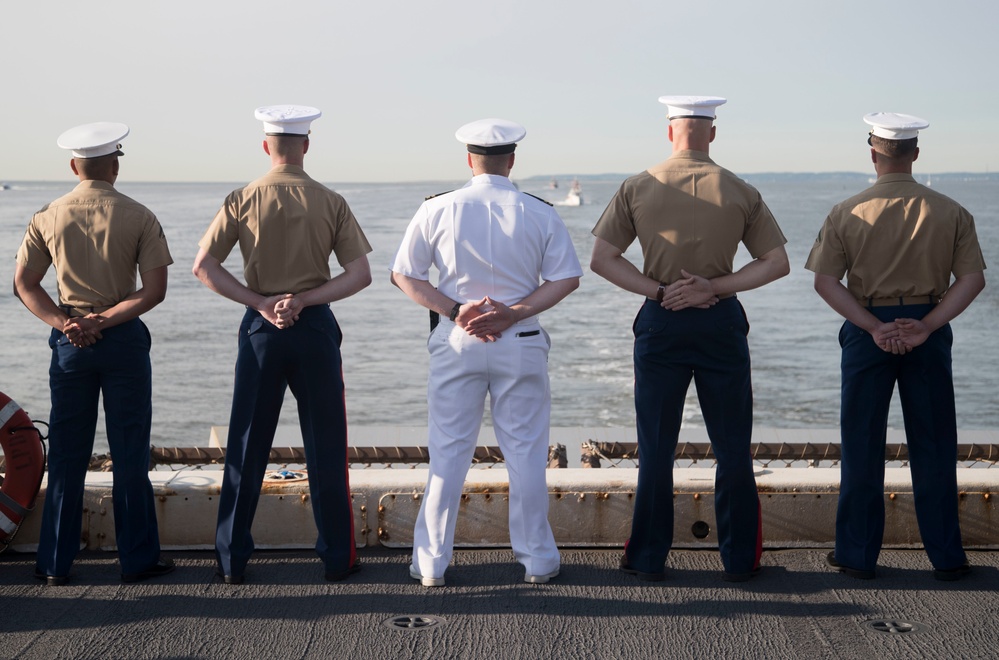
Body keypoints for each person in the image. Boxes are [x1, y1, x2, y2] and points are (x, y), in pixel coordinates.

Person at [590, 96, 789, 582]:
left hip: (661, 321)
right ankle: (741, 560)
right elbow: (776, 262)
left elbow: (602, 259)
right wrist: (714, 287)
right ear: (712, 134)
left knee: (656, 448)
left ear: (669, 132)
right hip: (720, 321)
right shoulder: (740, 189)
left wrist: (661, 291)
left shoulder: (639, 186)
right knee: (732, 447)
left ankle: (646, 558)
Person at [390, 118, 582, 586]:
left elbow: (405, 275)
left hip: (458, 342)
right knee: (526, 454)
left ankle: (431, 564)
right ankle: (537, 560)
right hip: (522, 342)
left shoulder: (437, 208)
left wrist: (456, 310)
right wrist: (513, 313)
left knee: (449, 454)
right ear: (511, 160)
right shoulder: (539, 210)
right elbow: (566, 278)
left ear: (469, 160)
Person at [192, 105, 372, 584]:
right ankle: (338, 557)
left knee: (246, 448)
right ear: (306, 146)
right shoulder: (331, 200)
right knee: (326, 448)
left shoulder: (241, 198)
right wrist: (303, 300)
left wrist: (262, 303)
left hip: (260, 332)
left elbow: (204, 268)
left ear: (266, 146)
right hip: (313, 330)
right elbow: (360, 275)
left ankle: (231, 561)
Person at [806, 112, 986, 581]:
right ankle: (947, 557)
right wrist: (926, 326)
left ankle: (857, 555)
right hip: (927, 323)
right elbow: (972, 281)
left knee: (862, 443)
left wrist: (871, 327)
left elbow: (826, 283)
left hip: (869, 330)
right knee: (934, 444)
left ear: (872, 153)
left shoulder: (847, 211)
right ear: (916, 154)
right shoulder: (951, 211)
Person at [14, 122, 174, 585]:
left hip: (70, 343)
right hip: (121, 339)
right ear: (115, 166)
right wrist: (103, 321)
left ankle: (53, 564)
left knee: (65, 453)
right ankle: (138, 560)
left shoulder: (47, 215)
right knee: (129, 452)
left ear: (73, 166)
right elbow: (155, 291)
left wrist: (68, 324)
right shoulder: (139, 215)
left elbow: (25, 285)